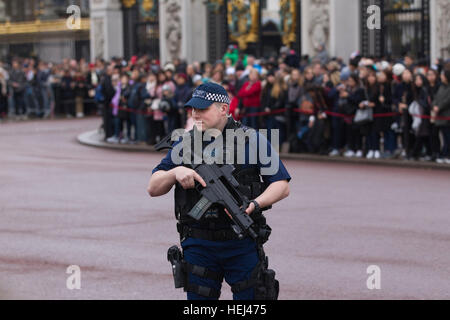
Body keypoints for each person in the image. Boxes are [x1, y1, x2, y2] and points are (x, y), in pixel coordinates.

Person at [147, 82, 291, 300]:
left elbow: (282, 185)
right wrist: (175, 172)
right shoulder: (185, 144)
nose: (195, 114)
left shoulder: (252, 139)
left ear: (223, 108)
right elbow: (153, 187)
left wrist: (256, 204)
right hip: (199, 243)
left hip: (241, 242)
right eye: (193, 109)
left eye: (202, 109)